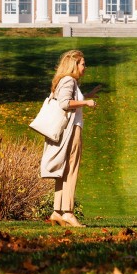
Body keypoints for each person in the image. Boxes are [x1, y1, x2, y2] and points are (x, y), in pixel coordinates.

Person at [40, 49, 100, 227]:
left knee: (63, 170)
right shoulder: (69, 80)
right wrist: (86, 102)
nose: (85, 67)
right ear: (74, 64)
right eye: (83, 63)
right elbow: (65, 103)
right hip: (71, 129)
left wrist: (86, 96)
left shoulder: (66, 81)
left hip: (66, 130)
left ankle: (57, 212)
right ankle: (68, 212)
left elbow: (67, 98)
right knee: (71, 169)